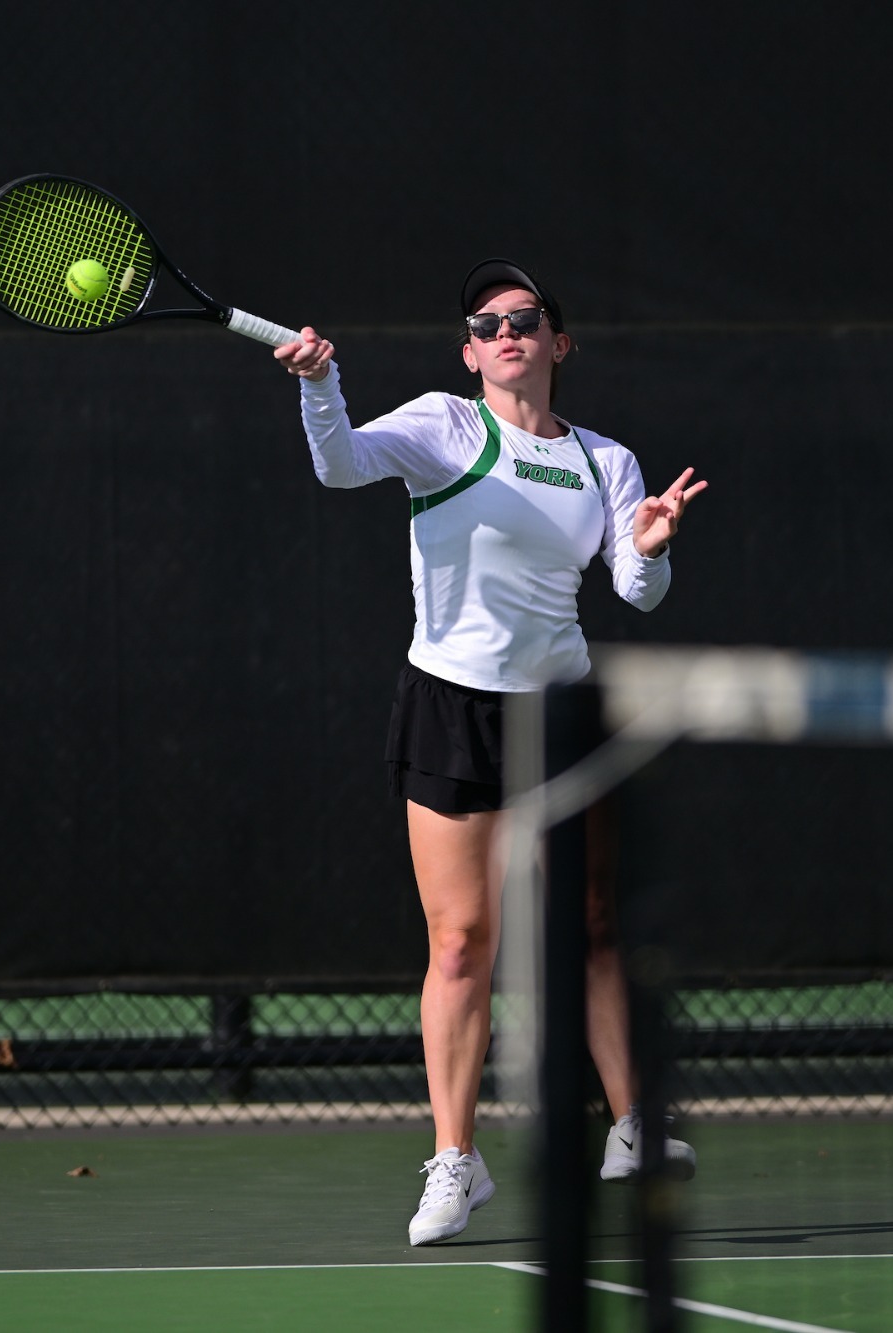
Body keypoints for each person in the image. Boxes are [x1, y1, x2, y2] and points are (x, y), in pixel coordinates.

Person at [276, 259, 707, 1247]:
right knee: (462, 941)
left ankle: (632, 1128)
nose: (506, 331)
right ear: (469, 352)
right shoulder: (444, 427)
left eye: (525, 319)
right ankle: (456, 1162)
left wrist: (648, 543)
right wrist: (318, 386)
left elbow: (635, 591)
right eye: (486, 323)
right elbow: (339, 464)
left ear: (558, 343)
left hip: (558, 716)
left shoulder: (607, 462)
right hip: (451, 708)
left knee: (591, 924)